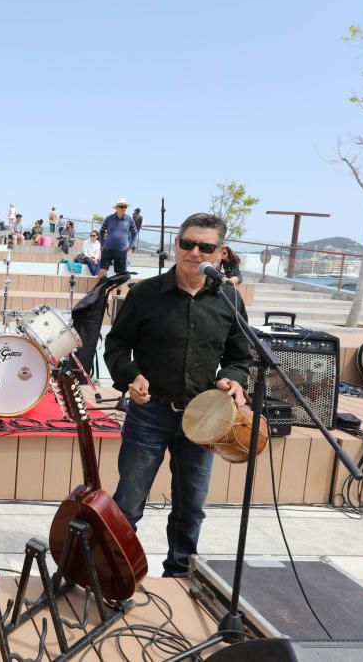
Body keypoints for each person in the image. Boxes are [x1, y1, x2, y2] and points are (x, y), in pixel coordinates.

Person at [105, 212, 250, 578]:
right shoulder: (145, 294)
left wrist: (233, 379)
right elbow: (117, 347)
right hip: (149, 415)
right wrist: (131, 376)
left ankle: (181, 577)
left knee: (191, 508)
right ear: (175, 246)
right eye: (187, 244)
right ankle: (119, 576)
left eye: (206, 246)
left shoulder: (229, 300)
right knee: (128, 504)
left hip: (204, 420)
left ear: (220, 253)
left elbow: (240, 357)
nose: (194, 252)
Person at [97, 198, 139, 278]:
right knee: (102, 271)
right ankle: (99, 290)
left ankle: (118, 291)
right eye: (122, 206)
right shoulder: (109, 218)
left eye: (125, 207)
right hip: (108, 249)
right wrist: (102, 245)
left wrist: (132, 244)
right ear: (116, 208)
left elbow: (135, 232)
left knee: (120, 274)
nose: (124, 208)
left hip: (122, 251)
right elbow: (101, 231)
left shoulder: (130, 220)